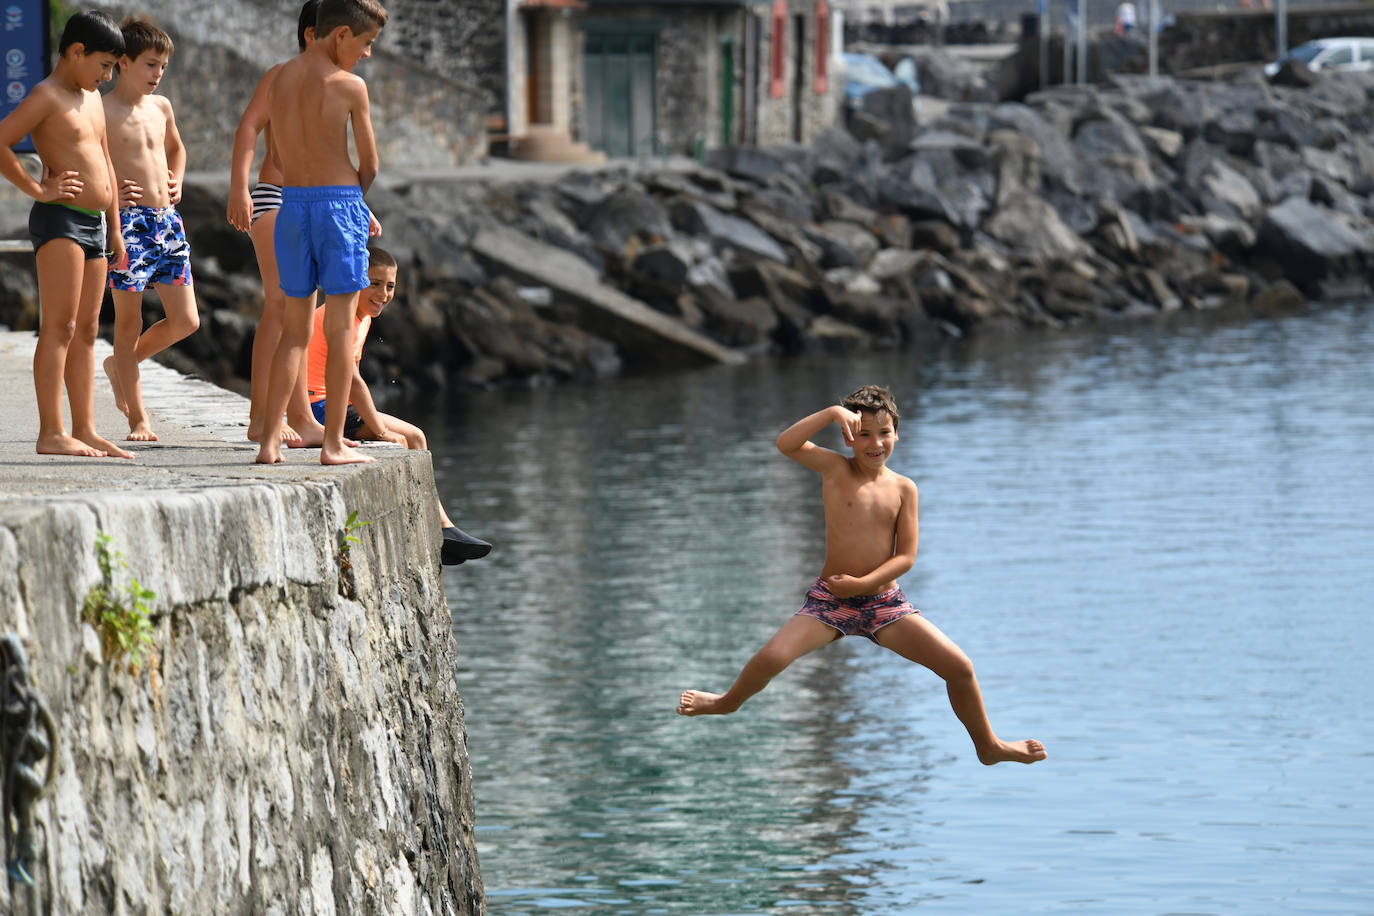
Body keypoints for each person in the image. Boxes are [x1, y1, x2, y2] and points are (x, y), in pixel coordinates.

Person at [677, 385, 1047, 766]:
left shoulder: (904, 489)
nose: (875, 443)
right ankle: (726, 702)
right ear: (849, 437)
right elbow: (786, 444)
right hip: (830, 602)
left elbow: (905, 557)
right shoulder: (835, 468)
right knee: (773, 656)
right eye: (864, 434)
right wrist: (831, 412)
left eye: (884, 433)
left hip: (884, 604)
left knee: (960, 668)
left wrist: (864, 585)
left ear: (897, 433)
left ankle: (988, 745)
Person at [254, 0, 387, 466]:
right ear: (341, 35)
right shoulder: (350, 86)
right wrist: (354, 198)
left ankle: (270, 442)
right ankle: (332, 445)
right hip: (338, 204)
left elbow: (277, 157)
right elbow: (369, 163)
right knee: (336, 331)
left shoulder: (280, 79)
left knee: (293, 331)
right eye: (367, 43)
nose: (367, 55)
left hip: (291, 207)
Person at [305, 246, 493, 565]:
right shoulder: (344, 316)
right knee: (404, 441)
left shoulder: (360, 316)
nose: (383, 293)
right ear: (356, 279)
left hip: (332, 399)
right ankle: (441, 527)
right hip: (319, 405)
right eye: (374, 283)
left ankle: (444, 526)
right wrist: (380, 430)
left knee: (417, 438)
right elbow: (352, 381)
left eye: (390, 286)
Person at [0, 10, 131, 458]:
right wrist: (39, 187)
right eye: (104, 65)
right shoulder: (47, 95)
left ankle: (86, 428)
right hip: (61, 221)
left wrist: (115, 228)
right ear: (77, 52)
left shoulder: (91, 96)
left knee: (89, 329)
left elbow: (105, 160)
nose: (108, 75)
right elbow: (1, 140)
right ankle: (50, 432)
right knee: (60, 325)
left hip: (95, 224)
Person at [227, 1, 325, 448]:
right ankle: (261, 415)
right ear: (312, 33)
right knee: (281, 301)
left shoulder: (337, 83)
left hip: (316, 201)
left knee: (299, 309)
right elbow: (249, 128)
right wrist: (238, 188)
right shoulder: (281, 74)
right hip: (274, 196)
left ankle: (297, 416)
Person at [101, 18, 199, 442]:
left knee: (187, 320)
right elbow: (76, 158)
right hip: (128, 224)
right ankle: (138, 418)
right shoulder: (100, 109)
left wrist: (176, 176)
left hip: (167, 223)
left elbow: (177, 147)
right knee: (128, 324)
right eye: (150, 65)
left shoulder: (162, 108)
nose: (158, 74)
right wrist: (108, 192)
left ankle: (120, 366)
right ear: (123, 62)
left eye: (162, 67)